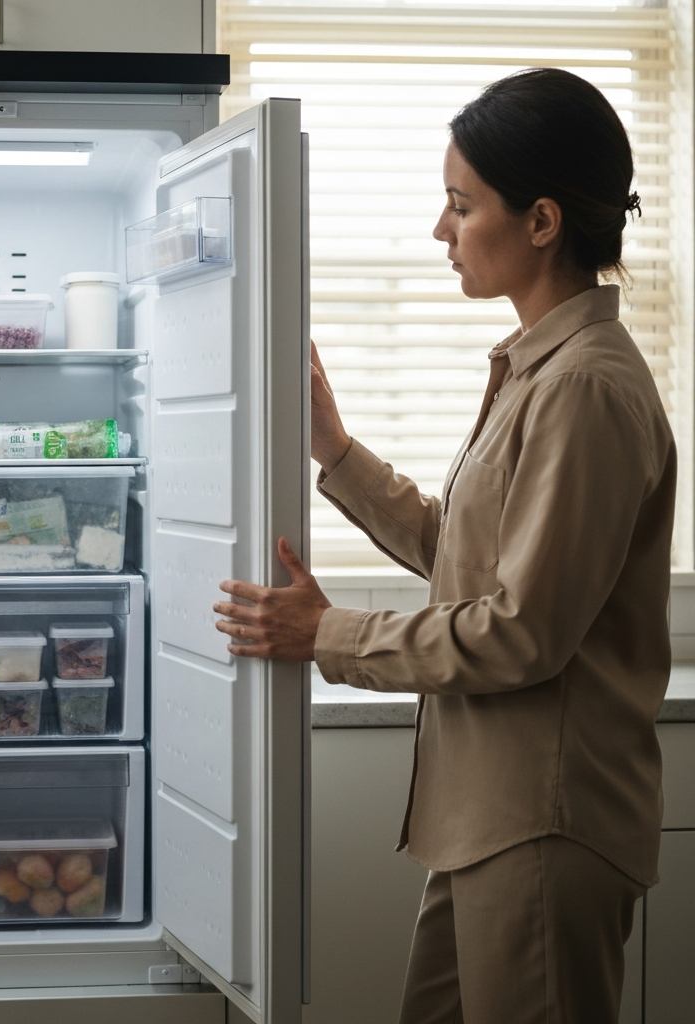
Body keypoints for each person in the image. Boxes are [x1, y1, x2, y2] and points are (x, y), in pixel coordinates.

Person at [213, 67, 676, 1023]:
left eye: (461, 207)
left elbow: (519, 632)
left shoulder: (585, 388)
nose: (441, 231)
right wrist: (334, 451)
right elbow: (465, 558)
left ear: (542, 221)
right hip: (487, 823)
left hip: (547, 824)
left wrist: (328, 635)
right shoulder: (534, 369)